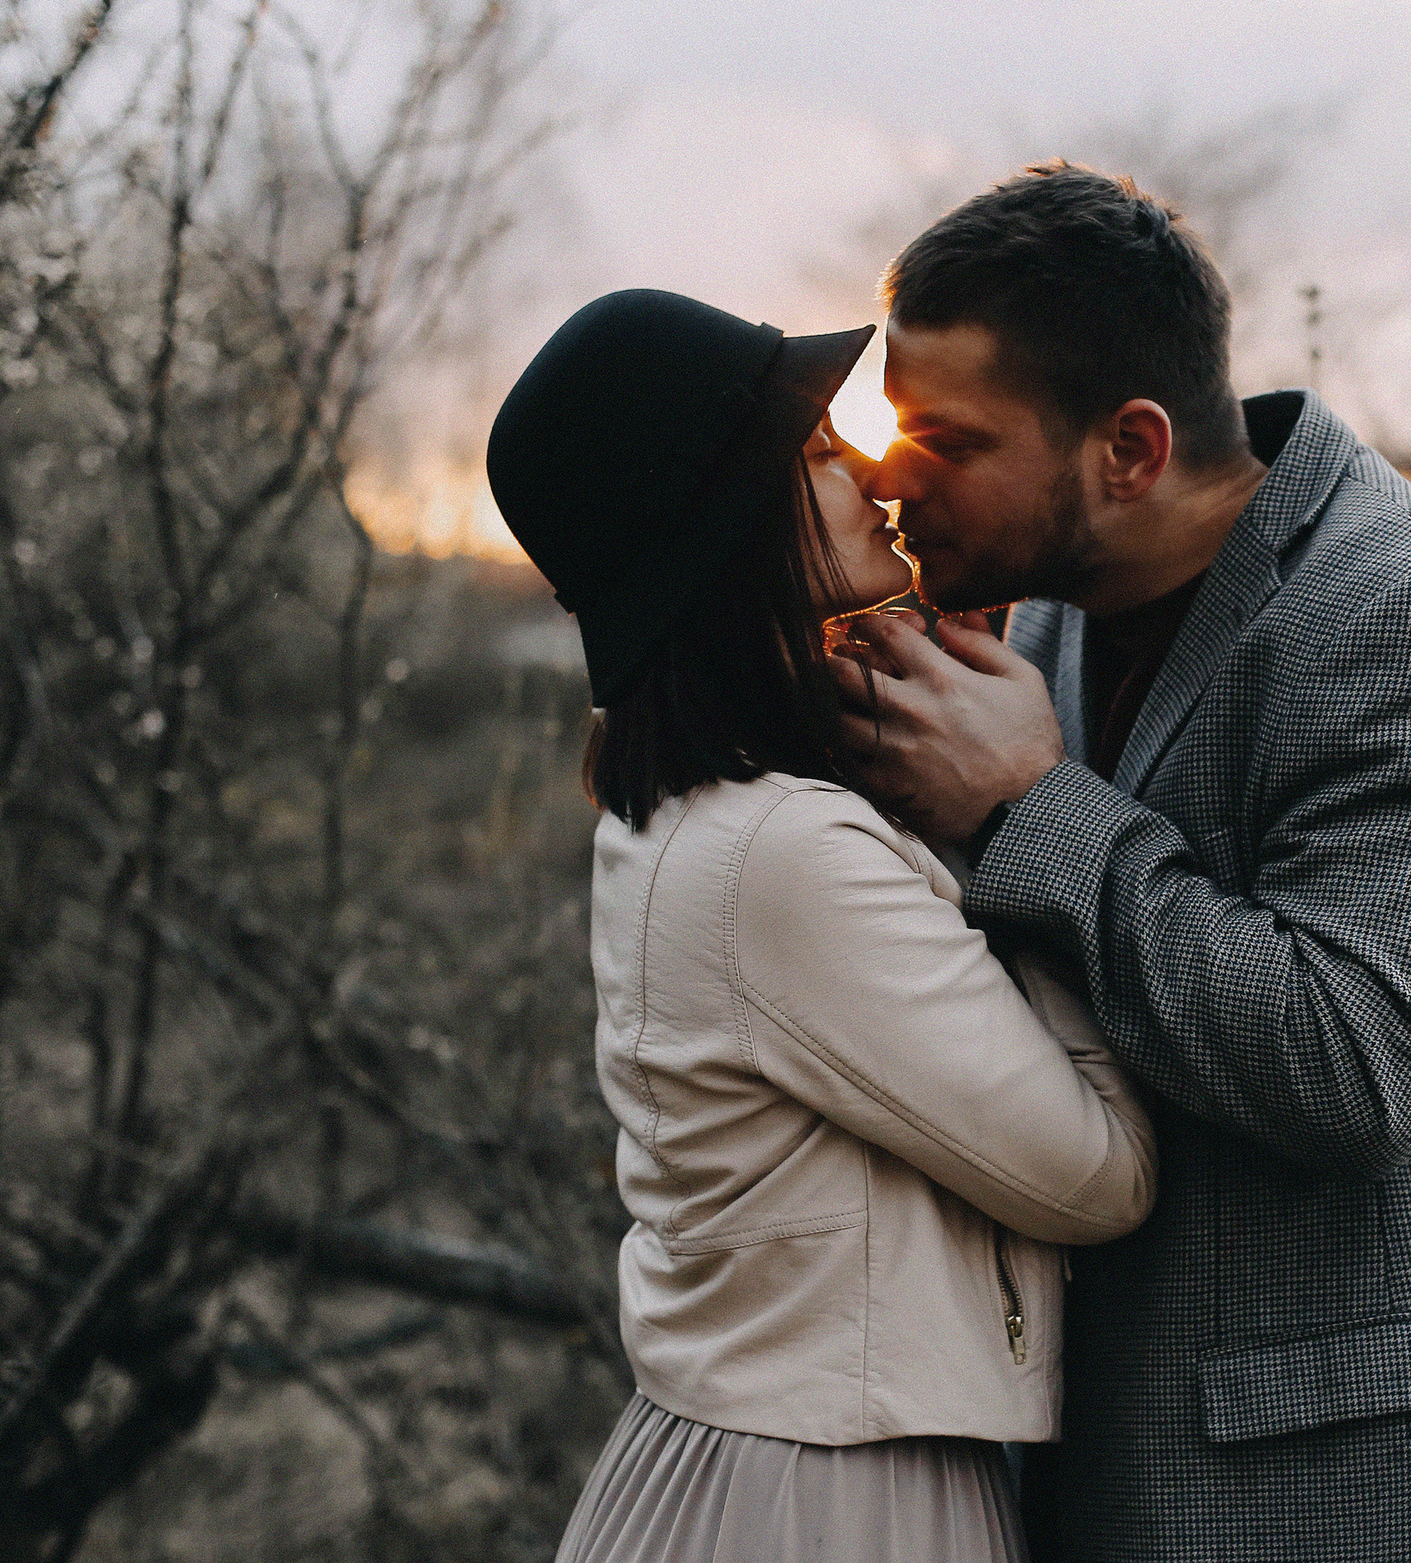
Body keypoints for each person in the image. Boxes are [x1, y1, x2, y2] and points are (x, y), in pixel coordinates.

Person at [836, 166, 1411, 1562]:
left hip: (1347, 1494)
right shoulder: (1059, 613)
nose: (895, 476)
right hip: (1089, 1464)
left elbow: (1360, 1056)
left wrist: (1029, 810)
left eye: (948, 440)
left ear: (1129, 449)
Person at [485, 288, 1158, 1563]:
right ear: (727, 532)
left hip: (748, 1473)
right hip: (832, 1503)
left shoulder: (693, 811)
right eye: (814, 455)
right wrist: (1022, 805)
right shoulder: (782, 854)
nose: (871, 472)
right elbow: (1103, 1174)